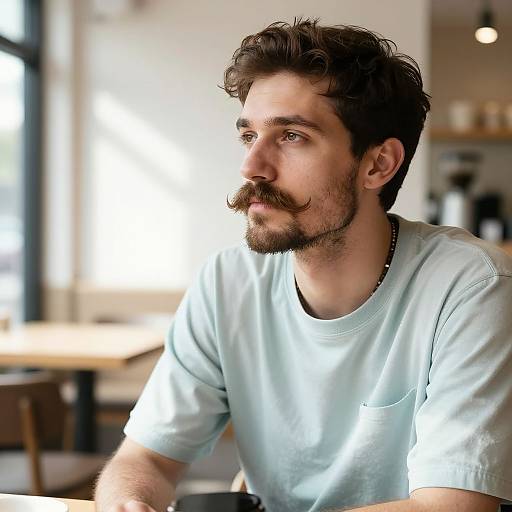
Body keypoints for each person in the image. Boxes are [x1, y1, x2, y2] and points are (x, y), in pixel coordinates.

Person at [95, 19, 512, 512]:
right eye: (249, 135)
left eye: (291, 136)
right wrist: (129, 502)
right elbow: (147, 460)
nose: (252, 166)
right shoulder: (228, 282)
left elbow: (452, 508)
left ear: (378, 165)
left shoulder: (471, 285)